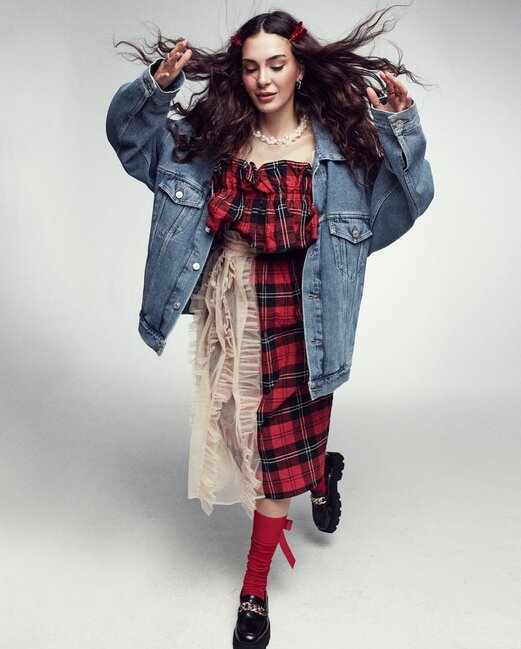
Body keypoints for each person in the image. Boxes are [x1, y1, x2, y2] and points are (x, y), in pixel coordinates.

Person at [106, 7, 434, 648]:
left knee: (274, 454)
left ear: (299, 67)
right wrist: (156, 88)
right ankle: (320, 469)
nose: (263, 79)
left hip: (305, 311)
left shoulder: (342, 156)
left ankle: (253, 589)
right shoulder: (210, 142)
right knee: (241, 433)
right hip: (232, 305)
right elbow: (131, 143)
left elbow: (410, 200)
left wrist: (401, 128)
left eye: (276, 64)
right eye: (252, 67)